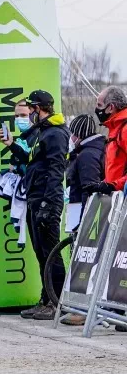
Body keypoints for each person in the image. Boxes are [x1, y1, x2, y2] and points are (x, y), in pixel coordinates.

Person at [8, 90, 68, 320]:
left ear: (38, 109)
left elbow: (56, 170)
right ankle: (46, 299)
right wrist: (12, 144)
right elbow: (31, 161)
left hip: (46, 200)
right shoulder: (42, 132)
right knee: (41, 254)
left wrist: (48, 202)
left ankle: (57, 302)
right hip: (35, 198)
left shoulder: (55, 134)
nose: (27, 115)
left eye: (30, 110)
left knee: (51, 253)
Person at [60, 113, 105, 327]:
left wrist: (86, 221)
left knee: (87, 262)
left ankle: (84, 310)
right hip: (81, 209)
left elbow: (90, 187)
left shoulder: (87, 155)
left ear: (77, 135)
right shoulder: (88, 151)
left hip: (87, 213)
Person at [91, 86, 127, 192]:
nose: (97, 109)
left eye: (99, 105)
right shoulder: (116, 129)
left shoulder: (124, 129)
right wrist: (104, 184)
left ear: (111, 107)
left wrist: (114, 185)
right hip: (118, 198)